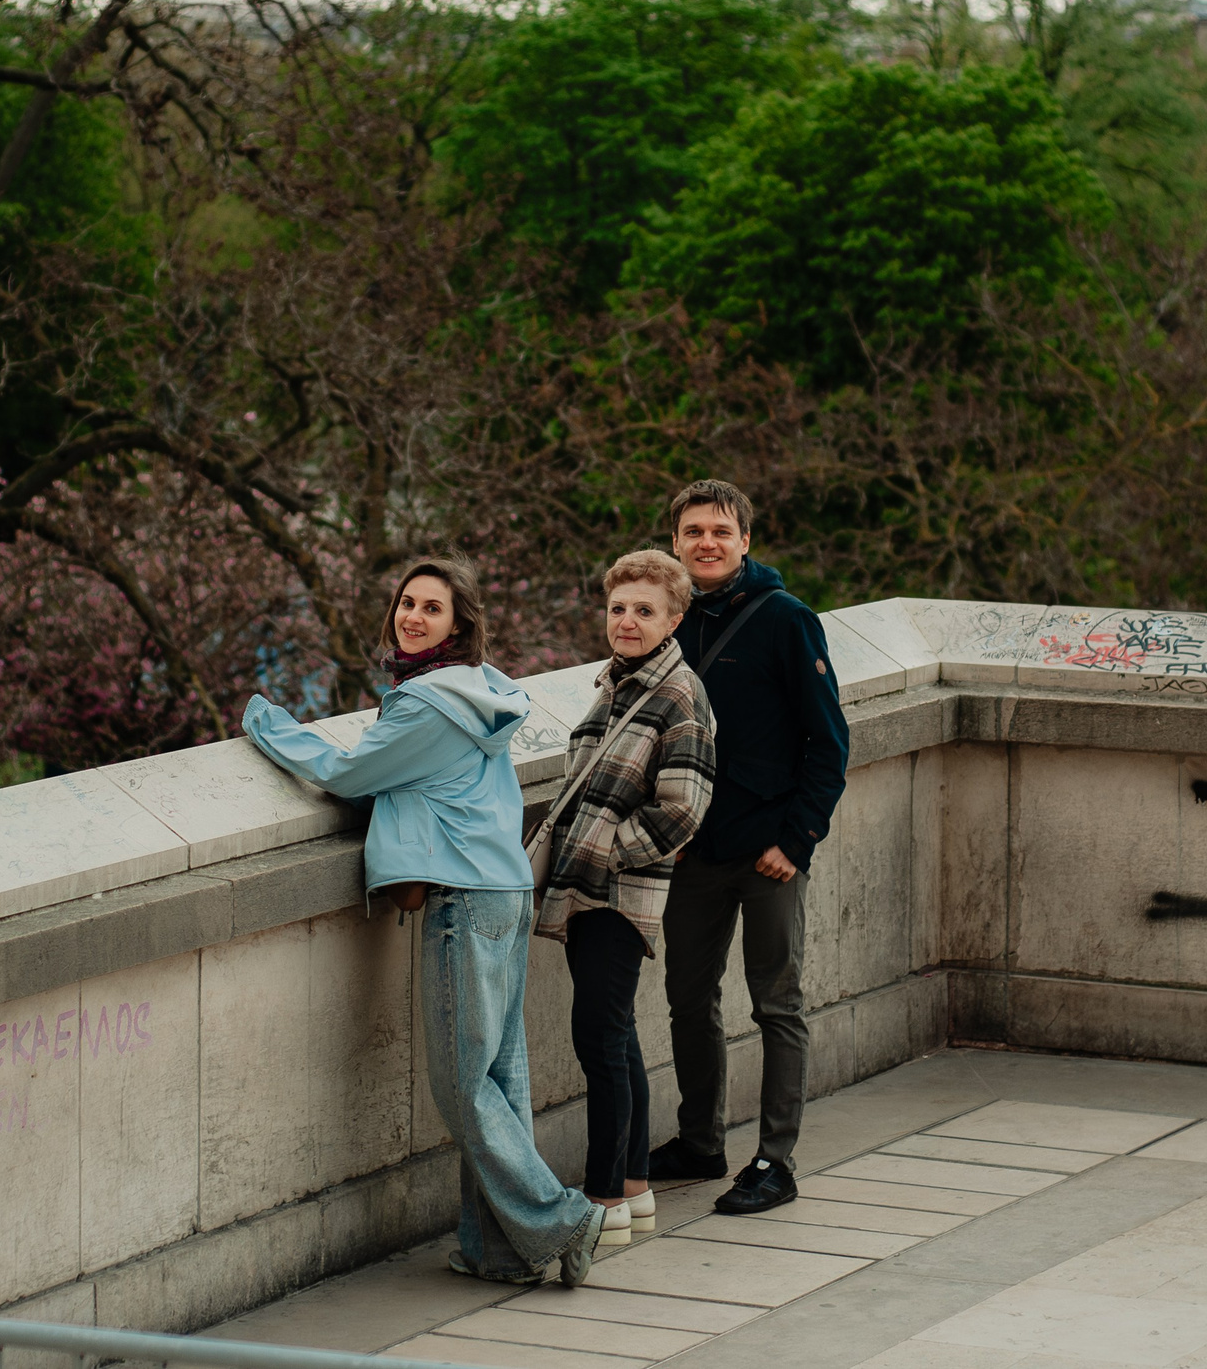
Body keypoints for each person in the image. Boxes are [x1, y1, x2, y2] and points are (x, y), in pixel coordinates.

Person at [243, 555, 605, 1288]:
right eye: (407, 602)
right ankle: (497, 1250)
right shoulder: (480, 694)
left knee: (462, 1085)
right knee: (499, 1079)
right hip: (502, 888)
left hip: (461, 898)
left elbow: (347, 774)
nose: (412, 616)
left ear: (458, 626)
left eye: (431, 608)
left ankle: (560, 1215)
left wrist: (268, 724)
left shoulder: (423, 705)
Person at [647, 480, 850, 1215]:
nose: (707, 542)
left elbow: (829, 746)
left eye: (721, 532)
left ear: (745, 542)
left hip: (768, 854)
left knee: (777, 1006)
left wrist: (795, 840)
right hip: (690, 854)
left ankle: (776, 1159)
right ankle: (699, 1141)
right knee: (687, 1001)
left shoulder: (786, 621)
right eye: (694, 530)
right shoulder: (664, 622)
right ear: (675, 541)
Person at [532, 549, 715, 1247]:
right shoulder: (616, 685)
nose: (627, 620)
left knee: (599, 1038)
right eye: (617, 608)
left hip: (614, 893)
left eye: (644, 610)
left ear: (673, 619)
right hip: (588, 890)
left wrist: (607, 854)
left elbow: (683, 811)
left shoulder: (678, 695)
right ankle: (634, 1187)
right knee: (614, 1036)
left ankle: (603, 1198)